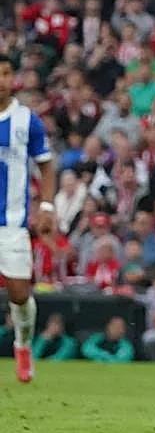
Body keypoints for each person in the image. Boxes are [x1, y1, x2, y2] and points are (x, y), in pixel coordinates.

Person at [0, 54, 57, 384]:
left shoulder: (26, 120)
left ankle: (23, 345)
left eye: (6, 73)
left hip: (12, 222)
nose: (2, 80)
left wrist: (47, 206)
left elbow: (46, 164)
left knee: (19, 294)